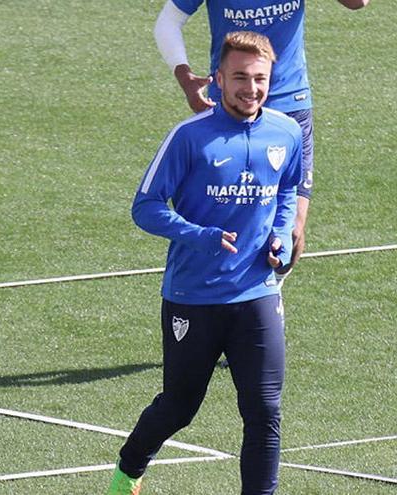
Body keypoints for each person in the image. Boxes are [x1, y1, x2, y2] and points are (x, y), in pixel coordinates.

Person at [106, 32, 302, 494]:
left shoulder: (286, 131)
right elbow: (146, 206)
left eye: (259, 79)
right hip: (193, 298)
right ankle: (129, 469)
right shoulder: (189, 137)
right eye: (239, 78)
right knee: (179, 406)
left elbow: (288, 189)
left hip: (257, 293)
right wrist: (200, 237)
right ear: (217, 79)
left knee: (264, 408)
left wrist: (279, 234)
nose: (250, 89)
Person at [153, 0, 370, 287]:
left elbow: (358, 3)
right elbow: (168, 22)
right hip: (233, 108)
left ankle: (270, 295)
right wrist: (184, 77)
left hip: (291, 108)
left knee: (290, 231)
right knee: (235, 221)